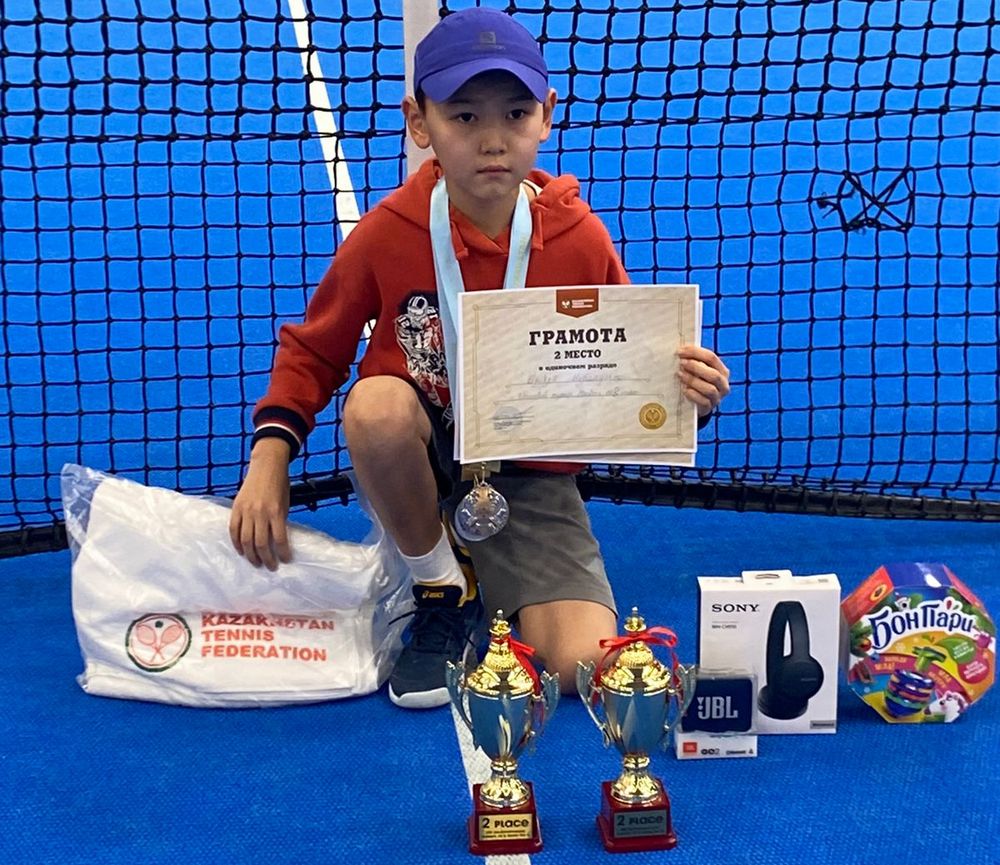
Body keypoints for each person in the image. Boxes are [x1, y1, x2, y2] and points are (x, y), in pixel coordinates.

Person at [229, 7, 730, 709]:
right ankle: (440, 582)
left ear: (546, 115)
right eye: (464, 117)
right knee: (375, 408)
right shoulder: (389, 232)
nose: (493, 140)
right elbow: (314, 347)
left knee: (577, 666)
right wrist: (269, 458)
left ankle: (486, 562)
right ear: (419, 121)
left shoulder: (580, 239)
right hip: (422, 458)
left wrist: (686, 396)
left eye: (515, 114)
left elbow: (622, 373)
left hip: (527, 478)